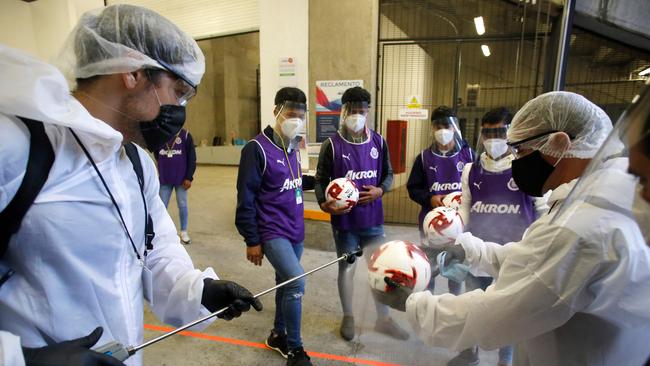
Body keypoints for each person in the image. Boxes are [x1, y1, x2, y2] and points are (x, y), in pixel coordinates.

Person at [0, 5, 262, 366]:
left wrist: (198, 290)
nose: (179, 108)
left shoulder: (137, 165)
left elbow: (152, 252)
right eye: (178, 90)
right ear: (133, 72)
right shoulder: (18, 150)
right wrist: (23, 358)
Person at [382, 91, 650, 366]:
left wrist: (413, 304)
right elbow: (534, 261)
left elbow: (496, 314)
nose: (515, 160)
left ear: (558, 143)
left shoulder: (581, 226)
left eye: (520, 151)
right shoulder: (589, 198)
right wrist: (469, 250)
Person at [450, 108, 545, 366]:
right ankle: (470, 352)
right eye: (488, 132)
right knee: (472, 306)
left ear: (511, 133)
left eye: (499, 132)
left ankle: (505, 360)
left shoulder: (526, 167)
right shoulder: (471, 169)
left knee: (508, 314)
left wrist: (536, 245)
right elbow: (465, 207)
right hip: (477, 250)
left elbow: (543, 210)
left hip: (513, 255)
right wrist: (453, 232)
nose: (493, 138)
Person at [315, 86, 408, 342]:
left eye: (362, 111)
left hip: (373, 221)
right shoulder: (331, 145)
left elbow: (388, 174)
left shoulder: (379, 142)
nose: (357, 115)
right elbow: (320, 178)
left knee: (381, 270)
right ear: (344, 112)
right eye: (352, 111)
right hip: (345, 223)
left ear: (368, 111)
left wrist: (380, 190)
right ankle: (348, 315)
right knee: (347, 268)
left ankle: (384, 319)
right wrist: (324, 202)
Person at [235, 87, 313, 366]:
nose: (296, 120)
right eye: (291, 114)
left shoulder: (293, 146)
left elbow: (292, 185)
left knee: (284, 282)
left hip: (295, 230)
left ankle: (277, 334)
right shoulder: (256, 149)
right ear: (277, 111)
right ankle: (295, 349)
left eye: (301, 116)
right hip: (272, 230)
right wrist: (251, 239)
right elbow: (245, 199)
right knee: (296, 283)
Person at [407, 106, 474, 295]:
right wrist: (429, 198)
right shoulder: (423, 158)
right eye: (438, 126)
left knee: (456, 272)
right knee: (429, 271)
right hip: (431, 226)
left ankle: (455, 307)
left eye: (447, 125)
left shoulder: (469, 155)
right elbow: (413, 188)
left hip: (460, 227)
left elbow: (479, 187)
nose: (442, 131)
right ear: (432, 129)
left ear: (455, 128)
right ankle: (429, 307)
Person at [155, 128, 196, 244]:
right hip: (165, 179)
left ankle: (183, 231)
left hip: (181, 179)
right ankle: (160, 232)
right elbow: (157, 154)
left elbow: (192, 157)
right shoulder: (161, 135)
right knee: (161, 206)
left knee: (182, 205)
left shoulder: (185, 135)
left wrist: (189, 177)